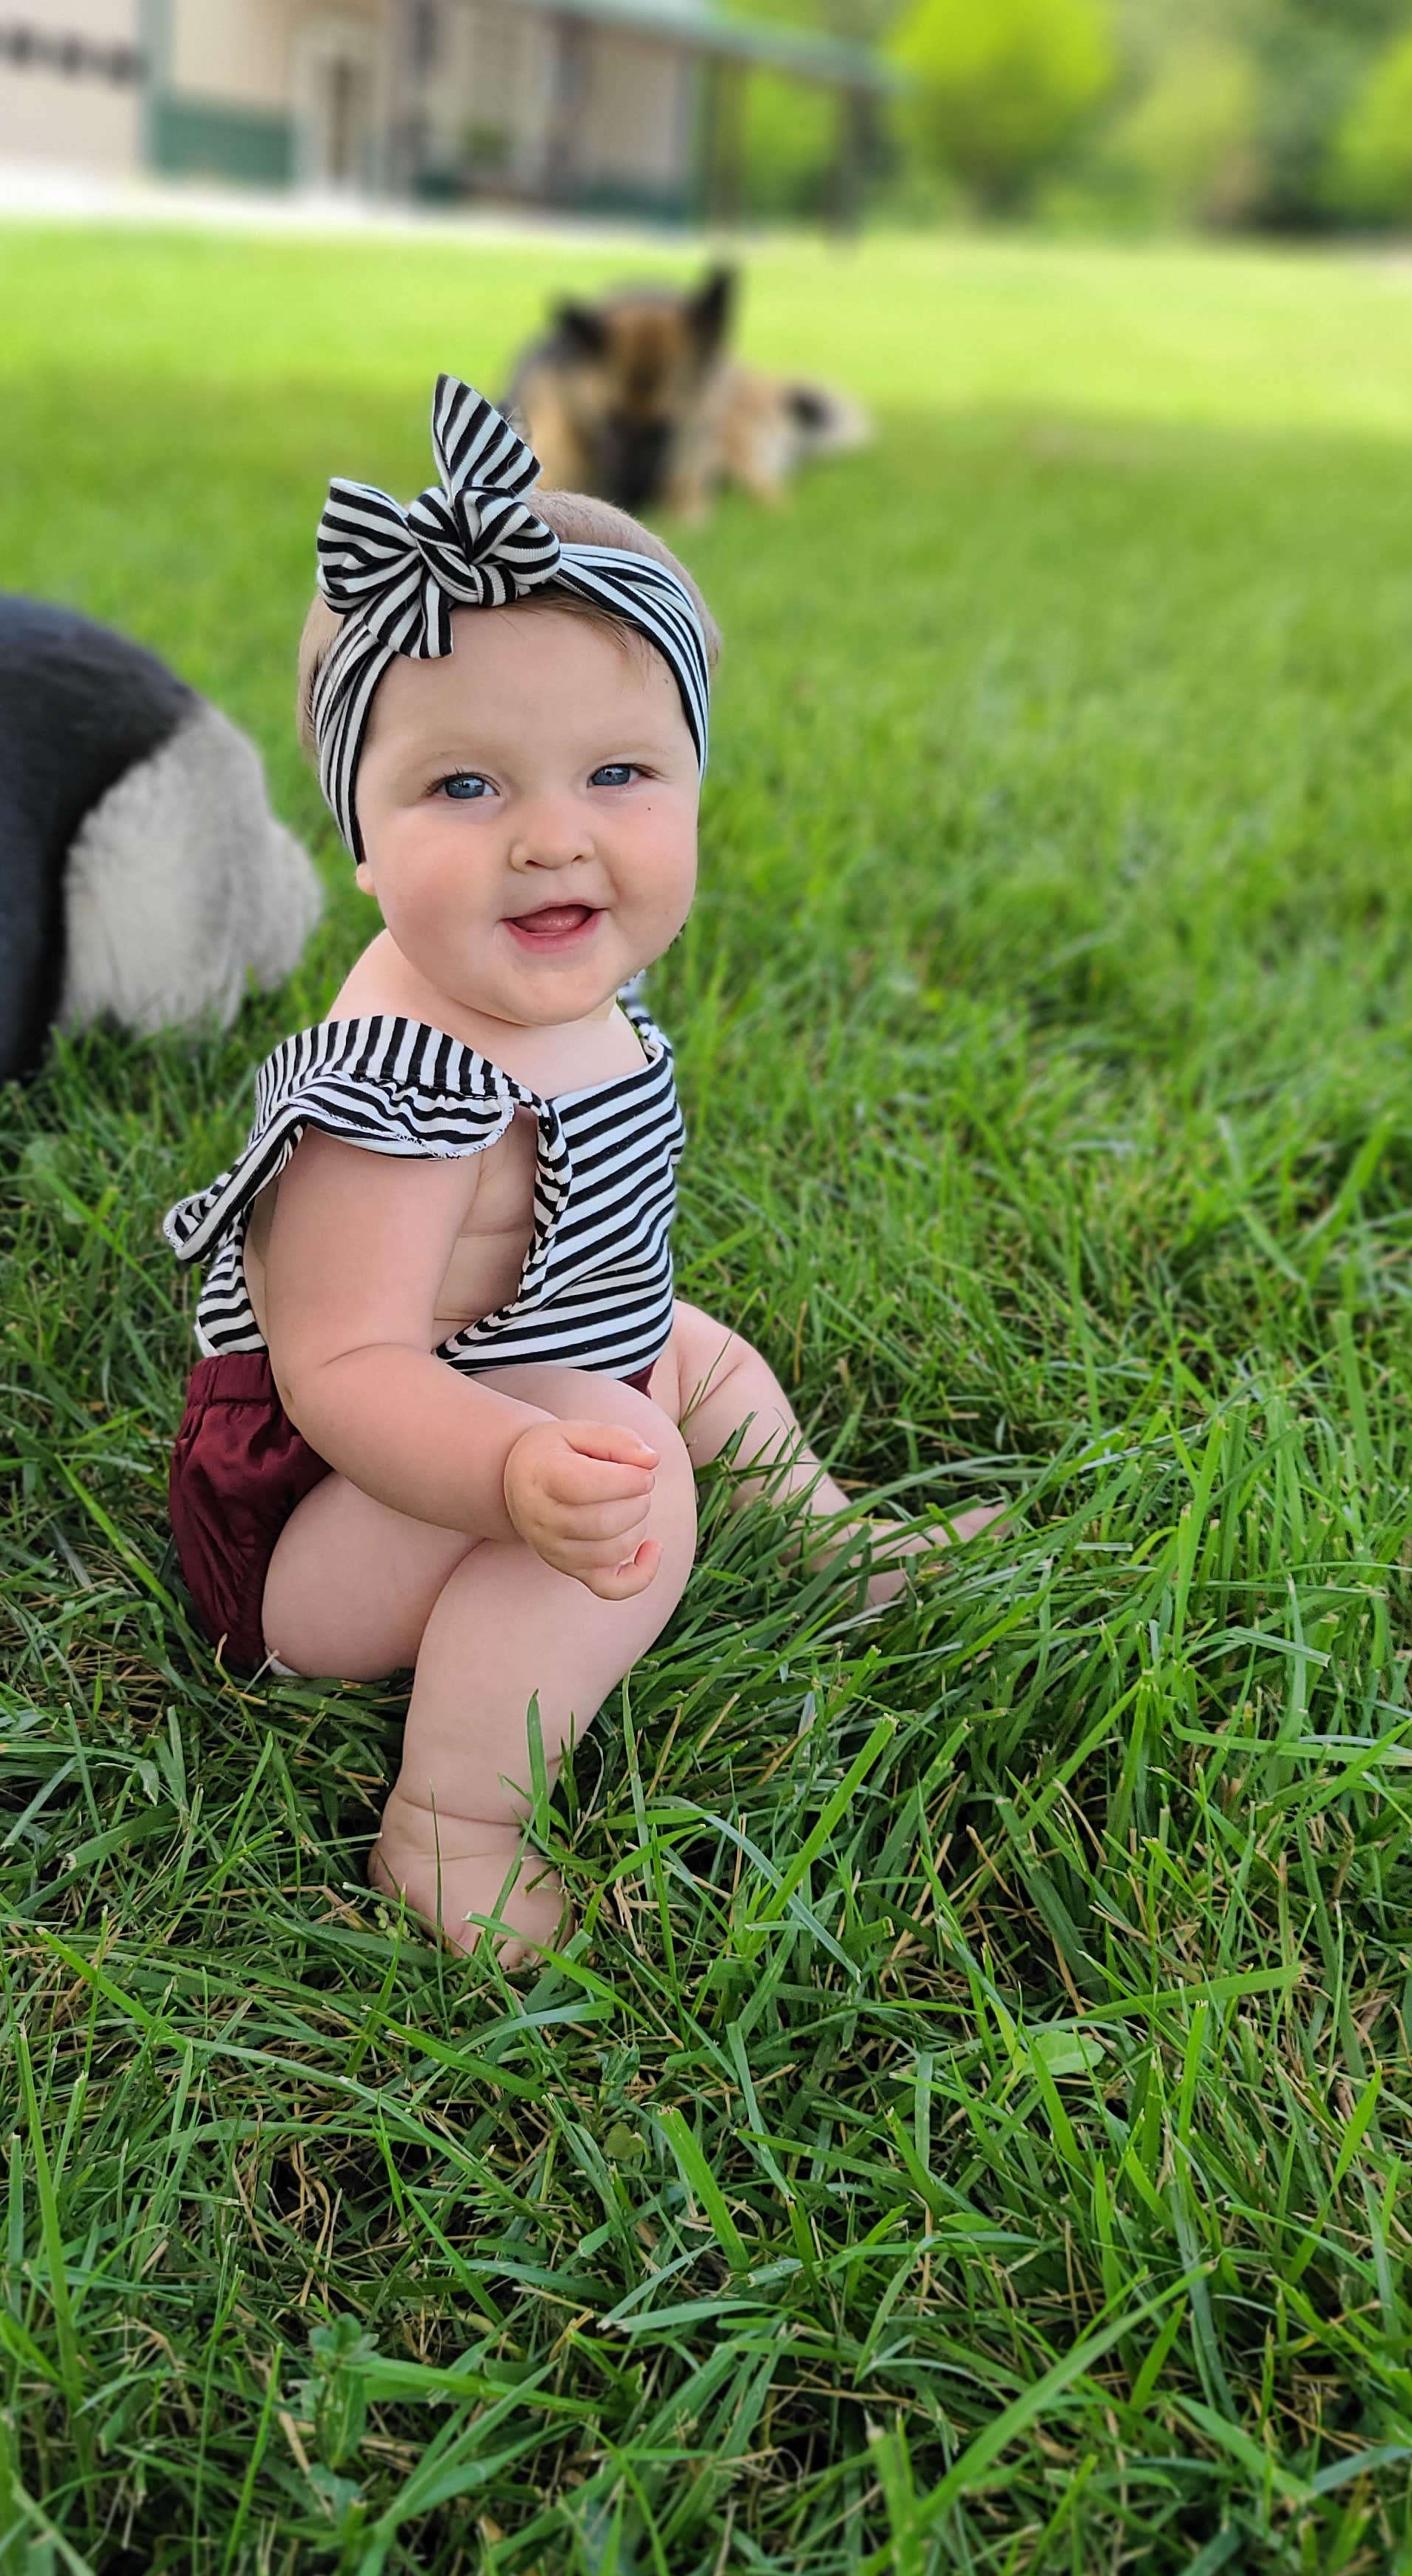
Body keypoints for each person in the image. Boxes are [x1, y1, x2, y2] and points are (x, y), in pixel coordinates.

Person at [164, 379, 996, 1965]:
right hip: (310, 1521)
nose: (554, 839)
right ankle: (455, 1821)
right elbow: (339, 1368)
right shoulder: (400, 1087)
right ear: (356, 829)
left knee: (687, 1347)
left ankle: (838, 1547)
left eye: (619, 776)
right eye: (465, 787)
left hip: (502, 1376)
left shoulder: (561, 989)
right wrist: (505, 1474)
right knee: (626, 1442)